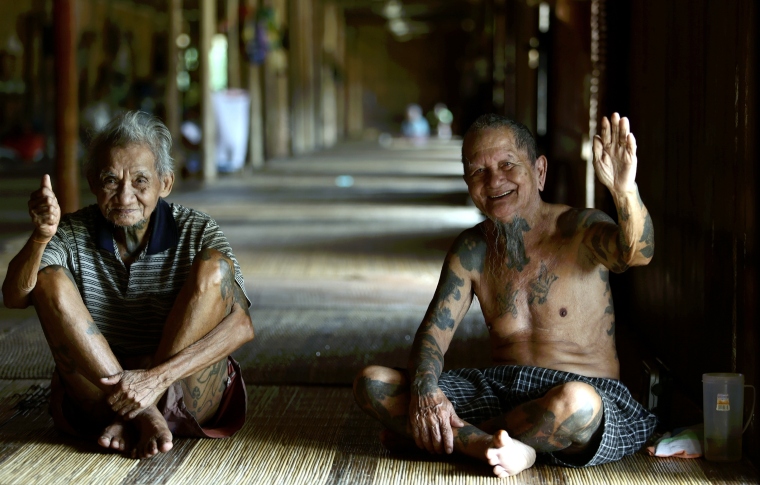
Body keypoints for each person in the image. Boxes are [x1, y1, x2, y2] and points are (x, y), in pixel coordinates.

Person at [353, 113, 656, 477]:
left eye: (507, 165)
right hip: (499, 388)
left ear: (539, 171)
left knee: (576, 404)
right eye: (478, 172)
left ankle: (449, 440)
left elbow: (637, 254)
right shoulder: (472, 249)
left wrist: (625, 190)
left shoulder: (580, 230)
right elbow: (434, 334)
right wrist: (426, 393)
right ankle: (494, 446)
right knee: (372, 382)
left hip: (581, 392)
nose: (494, 180)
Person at [1, 111, 254, 459]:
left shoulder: (196, 229)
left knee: (215, 268)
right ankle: (144, 418)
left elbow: (242, 326)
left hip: (186, 391)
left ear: (165, 184)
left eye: (139, 181)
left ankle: (134, 416)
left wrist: (155, 381)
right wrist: (41, 237)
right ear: (92, 182)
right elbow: (14, 297)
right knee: (49, 281)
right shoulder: (73, 233)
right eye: (110, 180)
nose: (124, 196)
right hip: (100, 394)